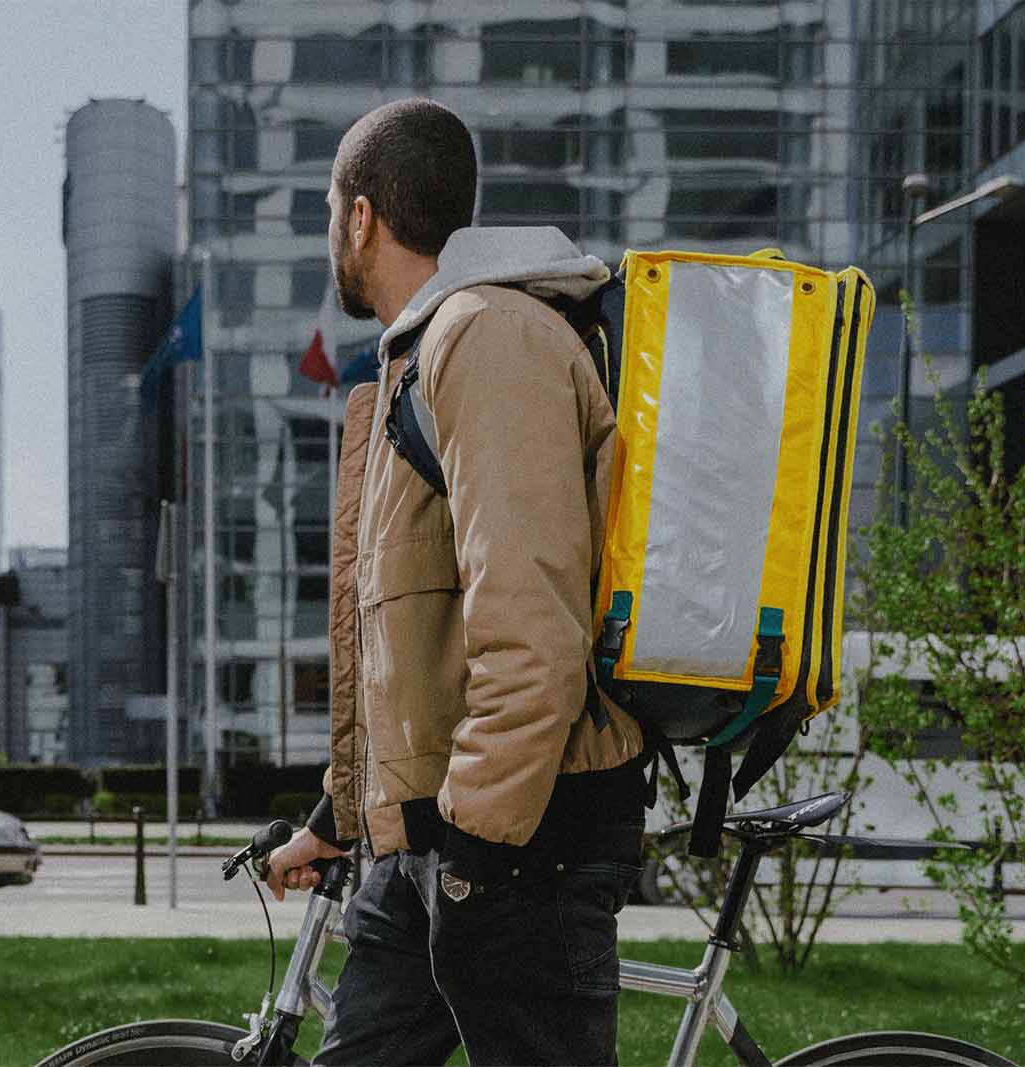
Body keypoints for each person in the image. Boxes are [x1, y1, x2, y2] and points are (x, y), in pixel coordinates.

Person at [262, 98, 651, 1066]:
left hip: (521, 840)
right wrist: (341, 818)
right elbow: (416, 639)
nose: (330, 234)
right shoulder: (428, 351)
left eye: (329, 212)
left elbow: (531, 627)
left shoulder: (490, 337)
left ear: (360, 217)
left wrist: (479, 850)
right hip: (438, 838)